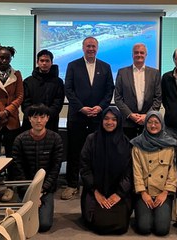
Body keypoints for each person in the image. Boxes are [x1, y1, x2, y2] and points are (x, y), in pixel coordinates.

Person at [62, 36, 115, 200]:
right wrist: (82, 108)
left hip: (98, 117)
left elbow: (109, 90)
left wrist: (100, 107)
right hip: (77, 116)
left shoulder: (105, 67)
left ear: (97, 48)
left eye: (93, 46)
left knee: (96, 152)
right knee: (74, 151)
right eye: (88, 46)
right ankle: (72, 184)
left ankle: (94, 185)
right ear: (83, 47)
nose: (91, 49)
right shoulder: (73, 66)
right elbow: (68, 90)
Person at [8, 103, 63, 232]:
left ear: (47, 118)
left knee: (44, 225)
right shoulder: (20, 140)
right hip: (26, 189)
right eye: (35, 117)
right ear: (29, 119)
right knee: (22, 223)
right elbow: (18, 169)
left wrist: (41, 191)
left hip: (45, 190)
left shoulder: (55, 139)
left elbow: (55, 169)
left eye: (42, 117)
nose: (39, 121)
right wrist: (31, 193)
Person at [79, 107, 133, 235]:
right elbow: (84, 167)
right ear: (101, 120)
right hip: (95, 189)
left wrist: (119, 194)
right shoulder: (91, 139)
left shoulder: (125, 143)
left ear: (119, 122)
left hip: (118, 191)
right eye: (106, 118)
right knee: (96, 222)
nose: (110, 122)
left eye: (114, 119)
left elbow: (129, 172)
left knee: (119, 225)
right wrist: (95, 191)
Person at [130, 111, 177, 236]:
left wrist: (166, 192)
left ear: (162, 124)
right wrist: (143, 193)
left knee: (161, 229)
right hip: (144, 191)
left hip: (163, 192)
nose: (153, 125)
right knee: (144, 228)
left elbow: (173, 172)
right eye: (149, 122)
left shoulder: (170, 145)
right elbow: (136, 171)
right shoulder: (137, 145)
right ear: (145, 124)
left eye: (156, 122)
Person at [114, 43, 162, 140]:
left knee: (146, 151)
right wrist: (130, 115)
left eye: (142, 52)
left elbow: (158, 97)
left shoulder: (155, 73)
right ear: (132, 55)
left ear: (146, 55)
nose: (139, 55)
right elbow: (118, 98)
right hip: (127, 122)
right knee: (127, 151)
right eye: (136, 52)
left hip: (148, 121)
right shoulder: (122, 72)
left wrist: (147, 116)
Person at [21, 49, 64, 133]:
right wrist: (36, 117)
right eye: (42, 60)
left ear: (51, 62)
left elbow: (58, 102)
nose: (44, 63)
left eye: (47, 61)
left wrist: (45, 117)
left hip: (50, 122)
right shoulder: (28, 81)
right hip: (30, 123)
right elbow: (25, 103)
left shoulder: (58, 82)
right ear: (37, 62)